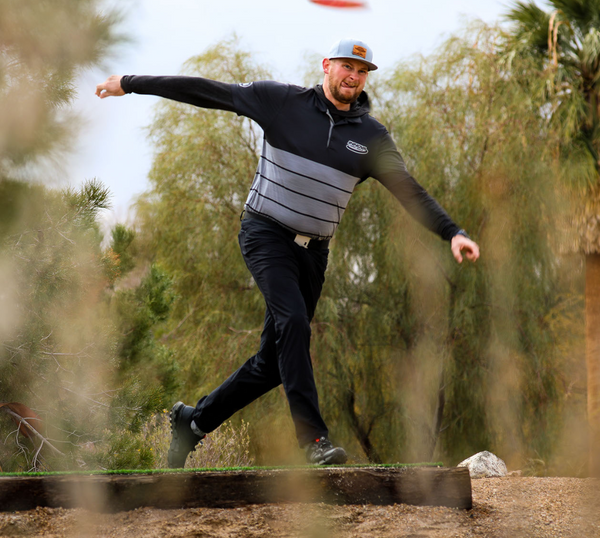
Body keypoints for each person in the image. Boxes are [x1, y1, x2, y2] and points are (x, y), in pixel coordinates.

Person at [96, 38, 480, 467]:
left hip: (313, 254)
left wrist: (452, 232)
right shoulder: (280, 102)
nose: (352, 76)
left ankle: (194, 422)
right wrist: (130, 83)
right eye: (346, 66)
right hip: (265, 233)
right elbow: (207, 91)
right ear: (327, 66)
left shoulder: (371, 138)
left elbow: (409, 191)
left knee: (275, 362)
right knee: (293, 322)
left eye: (361, 71)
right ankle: (313, 441)